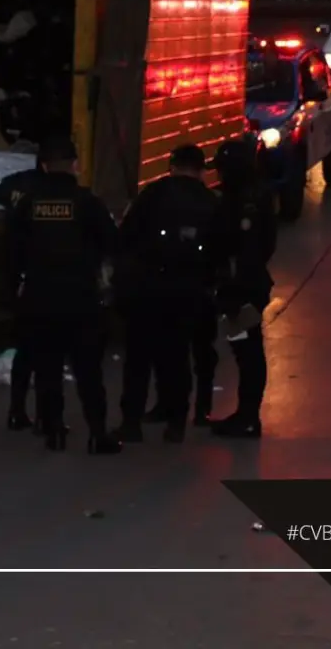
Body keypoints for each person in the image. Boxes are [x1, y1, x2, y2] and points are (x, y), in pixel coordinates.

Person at [9, 135, 121, 454]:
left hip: (40, 297)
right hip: (80, 298)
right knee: (88, 371)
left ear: (43, 165)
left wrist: (12, 294)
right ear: (75, 164)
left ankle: (53, 431)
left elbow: (11, 253)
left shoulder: (27, 203)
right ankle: (98, 435)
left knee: (48, 368)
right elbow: (113, 245)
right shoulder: (87, 202)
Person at [113, 143, 220, 444]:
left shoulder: (151, 195)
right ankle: (176, 423)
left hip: (147, 289)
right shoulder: (209, 201)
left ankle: (131, 423)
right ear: (200, 170)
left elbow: (126, 238)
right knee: (176, 358)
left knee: (138, 359)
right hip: (188, 291)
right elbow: (220, 249)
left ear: (171, 166)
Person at [208, 138, 277, 438]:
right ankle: (246, 413)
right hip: (247, 287)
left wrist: (234, 292)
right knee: (245, 351)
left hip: (242, 291)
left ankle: (248, 416)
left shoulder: (243, 201)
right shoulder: (255, 193)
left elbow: (246, 249)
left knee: (247, 352)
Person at [0, 165, 43, 431]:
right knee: (52, 353)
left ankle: (18, 411)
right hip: (63, 287)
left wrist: (11, 286)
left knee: (27, 351)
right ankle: (48, 418)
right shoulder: (78, 199)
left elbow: (12, 248)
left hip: (29, 285)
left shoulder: (23, 198)